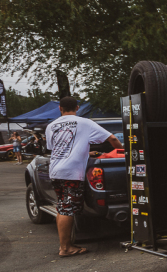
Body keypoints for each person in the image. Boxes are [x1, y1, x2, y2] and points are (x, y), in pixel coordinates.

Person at [45, 96, 122, 257]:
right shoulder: (85, 123)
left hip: (55, 171)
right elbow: (113, 138)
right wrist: (123, 152)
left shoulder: (51, 125)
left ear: (60, 108)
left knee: (62, 207)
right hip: (71, 172)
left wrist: (86, 153)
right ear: (77, 108)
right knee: (67, 209)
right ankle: (65, 248)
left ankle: (66, 245)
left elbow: (58, 148)